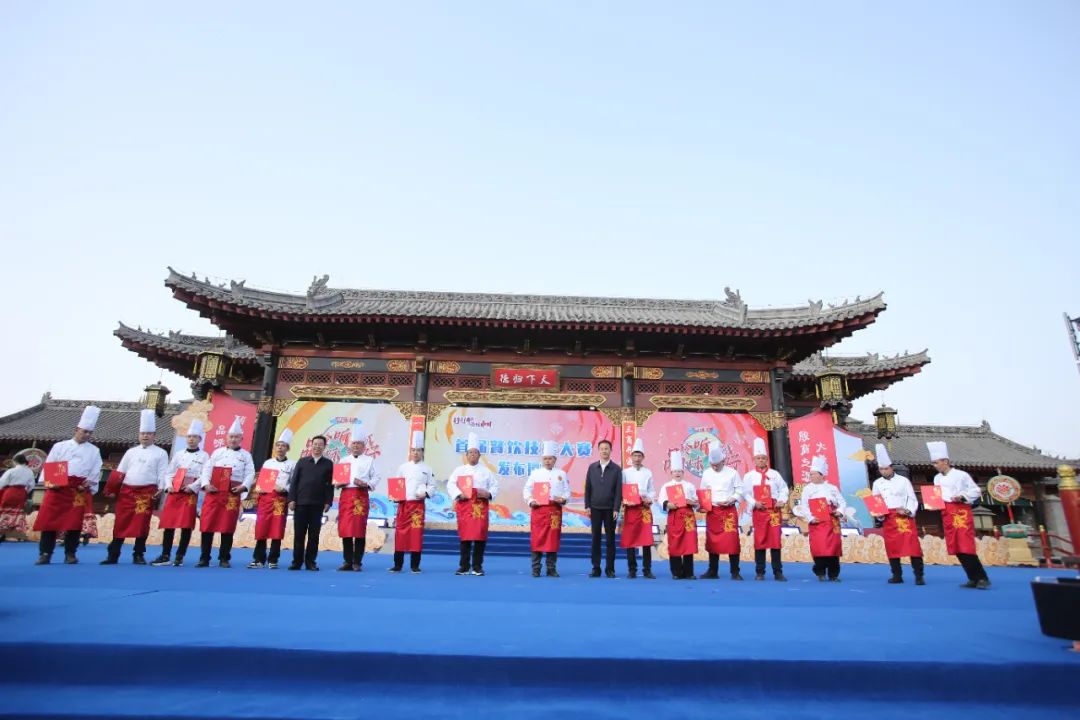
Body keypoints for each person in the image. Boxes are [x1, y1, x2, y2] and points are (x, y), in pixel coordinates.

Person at [34, 406, 102, 565]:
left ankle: (70, 553)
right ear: (76, 429)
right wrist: (52, 482)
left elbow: (95, 470)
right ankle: (45, 553)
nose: (86, 435)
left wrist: (87, 483)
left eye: (89, 432)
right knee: (49, 521)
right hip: (58, 487)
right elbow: (51, 463)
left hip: (78, 490)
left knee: (74, 522)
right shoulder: (60, 446)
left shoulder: (94, 450)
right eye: (84, 431)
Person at [101, 409, 169, 565]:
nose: (145, 436)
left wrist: (160, 488)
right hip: (127, 491)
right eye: (143, 433)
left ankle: (138, 554)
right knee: (121, 522)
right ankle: (113, 554)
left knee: (142, 523)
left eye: (148, 433)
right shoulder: (131, 452)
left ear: (154, 435)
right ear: (139, 435)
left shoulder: (160, 453)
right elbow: (120, 472)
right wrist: (111, 489)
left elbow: (163, 473)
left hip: (146, 493)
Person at [928, 441, 990, 589]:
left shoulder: (961, 475)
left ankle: (982, 577)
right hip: (946, 512)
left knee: (965, 545)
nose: (935, 465)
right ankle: (972, 578)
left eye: (937, 462)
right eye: (933, 463)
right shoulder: (937, 478)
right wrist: (933, 503)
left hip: (960, 512)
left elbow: (975, 491)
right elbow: (937, 495)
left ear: (946, 461)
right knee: (955, 546)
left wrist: (961, 496)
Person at [195, 416, 255, 568]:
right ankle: (204, 557)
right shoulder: (217, 453)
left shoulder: (246, 455)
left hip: (232, 494)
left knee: (227, 526)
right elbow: (207, 470)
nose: (233, 439)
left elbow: (250, 474)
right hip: (214, 492)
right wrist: (206, 484)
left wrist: (243, 487)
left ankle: (224, 558)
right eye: (231, 436)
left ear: (241, 438)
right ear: (226, 437)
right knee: (207, 525)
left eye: (236, 437)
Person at [151, 420, 208, 566]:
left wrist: (193, 487)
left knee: (186, 525)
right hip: (174, 492)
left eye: (195, 436)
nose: (191, 439)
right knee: (169, 524)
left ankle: (180, 556)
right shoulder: (178, 454)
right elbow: (169, 473)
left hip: (189, 494)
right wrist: (169, 486)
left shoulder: (204, 456)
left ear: (200, 439)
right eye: (189, 436)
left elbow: (205, 475)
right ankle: (165, 555)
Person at [871, 443, 925, 585]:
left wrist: (907, 510)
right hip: (888, 518)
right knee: (892, 547)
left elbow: (912, 499)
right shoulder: (877, 483)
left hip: (904, 518)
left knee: (913, 546)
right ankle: (897, 575)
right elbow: (877, 502)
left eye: (886, 468)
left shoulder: (903, 481)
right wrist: (880, 514)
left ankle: (919, 575)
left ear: (891, 468)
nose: (883, 471)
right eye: (881, 469)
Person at [446, 432, 499, 576]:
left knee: (480, 538)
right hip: (464, 507)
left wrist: (488, 494)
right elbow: (451, 484)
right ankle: (464, 566)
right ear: (466, 455)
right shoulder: (459, 470)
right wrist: (458, 494)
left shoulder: (486, 471)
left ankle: (477, 566)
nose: (472, 455)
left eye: (475, 453)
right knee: (465, 537)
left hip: (479, 509)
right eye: (470, 453)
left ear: (479, 455)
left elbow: (495, 486)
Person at [742, 437, 789, 581]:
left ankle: (778, 571)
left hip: (774, 511)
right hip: (760, 512)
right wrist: (754, 502)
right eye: (758, 458)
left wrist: (782, 500)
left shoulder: (775, 474)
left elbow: (784, 489)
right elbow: (745, 493)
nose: (761, 460)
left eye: (763, 458)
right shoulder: (749, 476)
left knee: (775, 541)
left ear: (767, 459)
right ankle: (760, 571)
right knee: (760, 540)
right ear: (754, 460)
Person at [794, 455, 846, 582]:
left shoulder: (832, 488)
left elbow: (842, 502)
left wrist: (839, 511)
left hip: (832, 521)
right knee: (819, 547)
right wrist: (811, 518)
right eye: (810, 474)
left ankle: (833, 574)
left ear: (822, 475)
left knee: (833, 548)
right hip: (817, 522)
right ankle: (820, 571)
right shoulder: (807, 489)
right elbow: (804, 506)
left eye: (813, 474)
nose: (811, 476)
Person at [388, 430, 433, 574]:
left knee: (416, 534)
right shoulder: (403, 467)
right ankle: (398, 564)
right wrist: (395, 495)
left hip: (417, 507)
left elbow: (432, 486)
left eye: (418, 451)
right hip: (403, 505)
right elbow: (397, 484)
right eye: (413, 450)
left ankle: (415, 565)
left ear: (422, 452)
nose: (415, 453)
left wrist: (425, 493)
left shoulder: (427, 468)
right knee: (400, 534)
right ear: (410, 452)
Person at [249, 429, 296, 569]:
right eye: (278, 445)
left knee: (277, 529)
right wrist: (259, 488)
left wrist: (285, 489)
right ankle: (258, 559)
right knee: (261, 529)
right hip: (265, 499)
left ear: (287, 448)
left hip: (279, 501)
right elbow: (260, 483)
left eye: (283, 446)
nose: (280, 448)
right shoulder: (268, 463)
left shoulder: (292, 464)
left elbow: (293, 483)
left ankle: (273, 559)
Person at [524, 440, 571, 578]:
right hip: (539, 511)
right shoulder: (535, 473)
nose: (547, 461)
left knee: (553, 539)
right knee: (537, 539)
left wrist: (563, 499)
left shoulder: (561, 474)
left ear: (555, 459)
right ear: (542, 459)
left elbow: (567, 492)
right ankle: (536, 568)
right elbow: (527, 489)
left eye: (550, 458)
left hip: (554, 511)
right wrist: (531, 500)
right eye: (545, 458)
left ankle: (551, 568)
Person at [699, 442, 745, 580]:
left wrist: (732, 499)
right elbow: (703, 492)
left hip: (728, 510)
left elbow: (740, 490)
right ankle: (713, 571)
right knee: (712, 541)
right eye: (712, 464)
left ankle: (735, 571)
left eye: (717, 464)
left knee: (732, 541)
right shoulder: (707, 473)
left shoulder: (733, 473)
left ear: (723, 461)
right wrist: (703, 504)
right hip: (713, 511)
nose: (714, 467)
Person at [286, 435, 333, 571]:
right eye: (315, 444)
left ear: (324, 447)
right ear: (311, 446)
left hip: (317, 504)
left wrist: (328, 502)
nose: (317, 447)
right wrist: (292, 499)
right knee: (299, 534)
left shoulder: (328, 464)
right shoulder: (302, 461)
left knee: (314, 535)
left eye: (320, 444)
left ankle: (310, 562)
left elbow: (329, 485)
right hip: (300, 503)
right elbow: (294, 482)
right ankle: (296, 562)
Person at [337, 425, 378, 572]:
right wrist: (338, 483)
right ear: (350, 445)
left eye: (358, 444)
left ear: (363, 446)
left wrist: (366, 484)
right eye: (354, 443)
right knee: (346, 529)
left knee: (359, 530)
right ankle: (347, 561)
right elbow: (337, 480)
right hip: (346, 496)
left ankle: (357, 562)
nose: (356, 446)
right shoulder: (343, 460)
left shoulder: (369, 460)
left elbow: (376, 477)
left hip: (360, 496)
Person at [584, 438, 621, 578]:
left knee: (611, 540)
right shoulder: (592, 467)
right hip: (595, 508)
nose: (604, 451)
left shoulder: (616, 469)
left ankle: (610, 569)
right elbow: (587, 488)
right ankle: (596, 567)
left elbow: (618, 491)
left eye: (607, 448)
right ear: (598, 451)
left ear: (611, 451)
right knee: (596, 539)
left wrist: (616, 508)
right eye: (602, 449)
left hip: (610, 509)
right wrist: (587, 505)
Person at [619, 439, 656, 579]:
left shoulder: (648, 472)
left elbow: (652, 491)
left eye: (639, 455)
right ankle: (632, 569)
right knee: (630, 539)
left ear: (643, 457)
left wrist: (649, 499)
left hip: (644, 509)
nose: (637, 458)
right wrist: (625, 499)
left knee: (647, 539)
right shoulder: (625, 472)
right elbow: (622, 490)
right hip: (631, 510)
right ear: (631, 457)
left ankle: (647, 569)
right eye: (634, 455)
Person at [660, 450, 699, 579]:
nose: (677, 473)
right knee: (675, 543)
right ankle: (676, 572)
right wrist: (667, 504)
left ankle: (689, 572)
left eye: (680, 471)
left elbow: (696, 502)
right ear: (671, 473)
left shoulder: (690, 486)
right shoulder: (666, 486)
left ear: (683, 472)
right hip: (674, 516)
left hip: (688, 517)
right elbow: (661, 501)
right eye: (675, 471)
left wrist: (692, 502)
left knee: (689, 543)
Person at [0, 453, 35, 541]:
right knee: (18, 513)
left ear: (15, 461)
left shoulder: (11, 471)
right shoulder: (29, 471)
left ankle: (2, 531)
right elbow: (31, 486)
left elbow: (2, 483)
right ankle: (18, 533)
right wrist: (25, 492)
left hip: (10, 492)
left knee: (5, 511)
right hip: (21, 493)